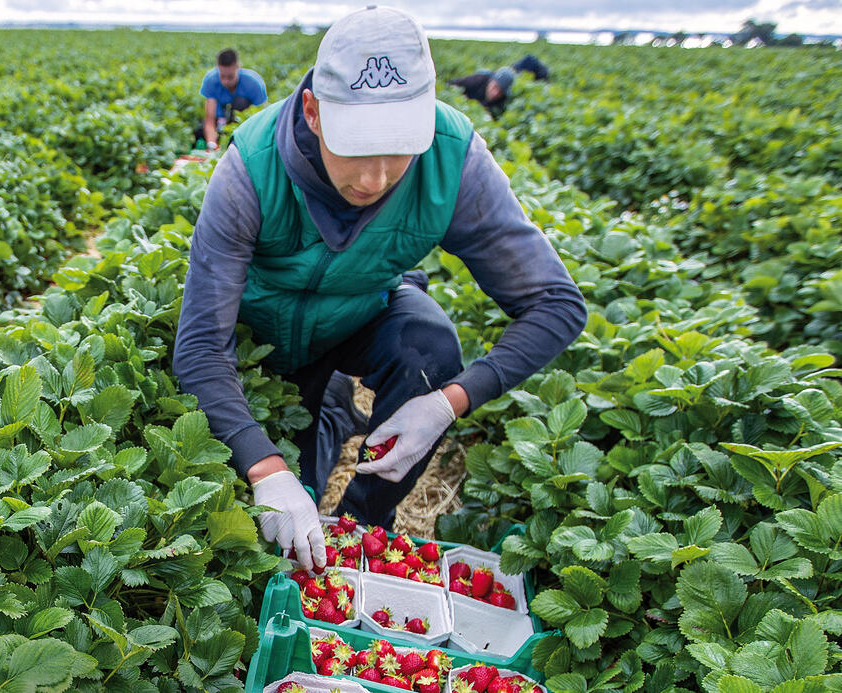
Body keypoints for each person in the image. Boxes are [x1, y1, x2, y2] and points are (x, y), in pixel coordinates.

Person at [172, 6, 586, 570]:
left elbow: (555, 303)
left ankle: (363, 533)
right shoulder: (251, 167)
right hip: (264, 338)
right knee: (286, 508)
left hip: (361, 313)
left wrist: (448, 402)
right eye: (357, 149)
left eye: (399, 149)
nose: (375, 179)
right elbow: (200, 346)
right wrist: (265, 467)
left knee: (430, 350)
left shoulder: (452, 157)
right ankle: (333, 412)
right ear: (314, 113)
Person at [195, 48, 269, 152]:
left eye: (230, 77)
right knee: (199, 132)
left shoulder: (253, 83)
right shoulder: (211, 80)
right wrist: (211, 145)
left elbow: (263, 118)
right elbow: (209, 120)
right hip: (221, 123)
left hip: (246, 129)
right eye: (222, 76)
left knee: (240, 102)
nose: (226, 81)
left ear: (238, 67)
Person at [447, 66, 516, 117]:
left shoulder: (502, 101)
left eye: (500, 92)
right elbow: (450, 85)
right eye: (495, 87)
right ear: (491, 80)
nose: (495, 93)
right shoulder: (477, 80)